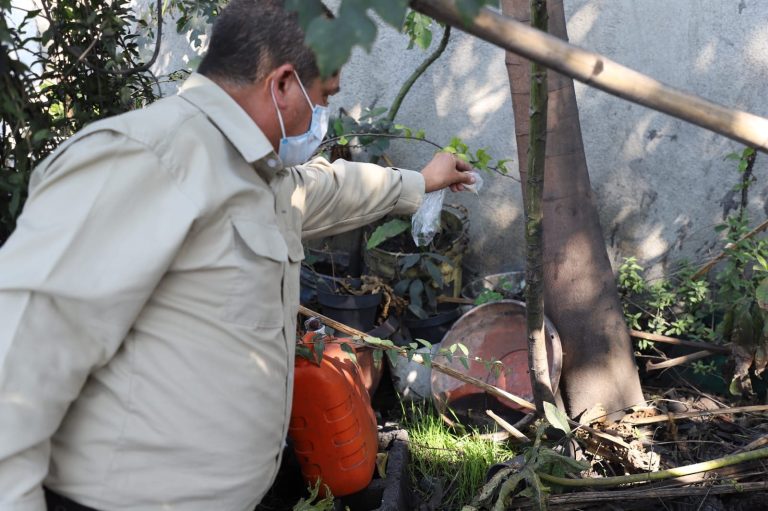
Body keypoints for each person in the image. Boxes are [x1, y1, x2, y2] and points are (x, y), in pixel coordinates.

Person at [0, 1, 475, 510]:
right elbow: (20, 356)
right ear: (284, 84)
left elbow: (327, 189)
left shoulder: (254, 172)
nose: (323, 115)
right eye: (324, 96)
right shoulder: (149, 158)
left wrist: (420, 182)